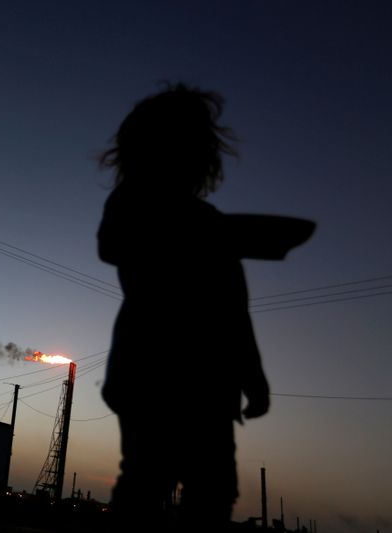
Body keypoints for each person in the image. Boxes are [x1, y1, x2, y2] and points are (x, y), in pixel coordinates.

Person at [97, 83, 315, 532]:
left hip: (212, 386)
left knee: (213, 489)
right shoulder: (132, 202)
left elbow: (236, 312)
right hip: (149, 373)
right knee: (147, 480)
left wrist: (253, 379)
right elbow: (112, 246)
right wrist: (191, 233)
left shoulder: (212, 224)